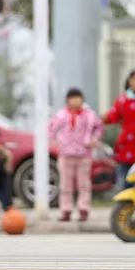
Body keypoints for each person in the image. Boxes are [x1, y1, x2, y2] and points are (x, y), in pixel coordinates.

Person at [48, 88, 103, 222]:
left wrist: (94, 140)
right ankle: (66, 210)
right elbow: (51, 128)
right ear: (67, 100)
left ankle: (83, 208)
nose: (75, 101)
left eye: (78, 98)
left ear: (82, 99)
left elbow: (99, 127)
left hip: (84, 153)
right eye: (72, 98)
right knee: (66, 184)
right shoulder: (61, 115)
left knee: (84, 184)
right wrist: (54, 142)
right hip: (66, 154)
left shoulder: (89, 115)